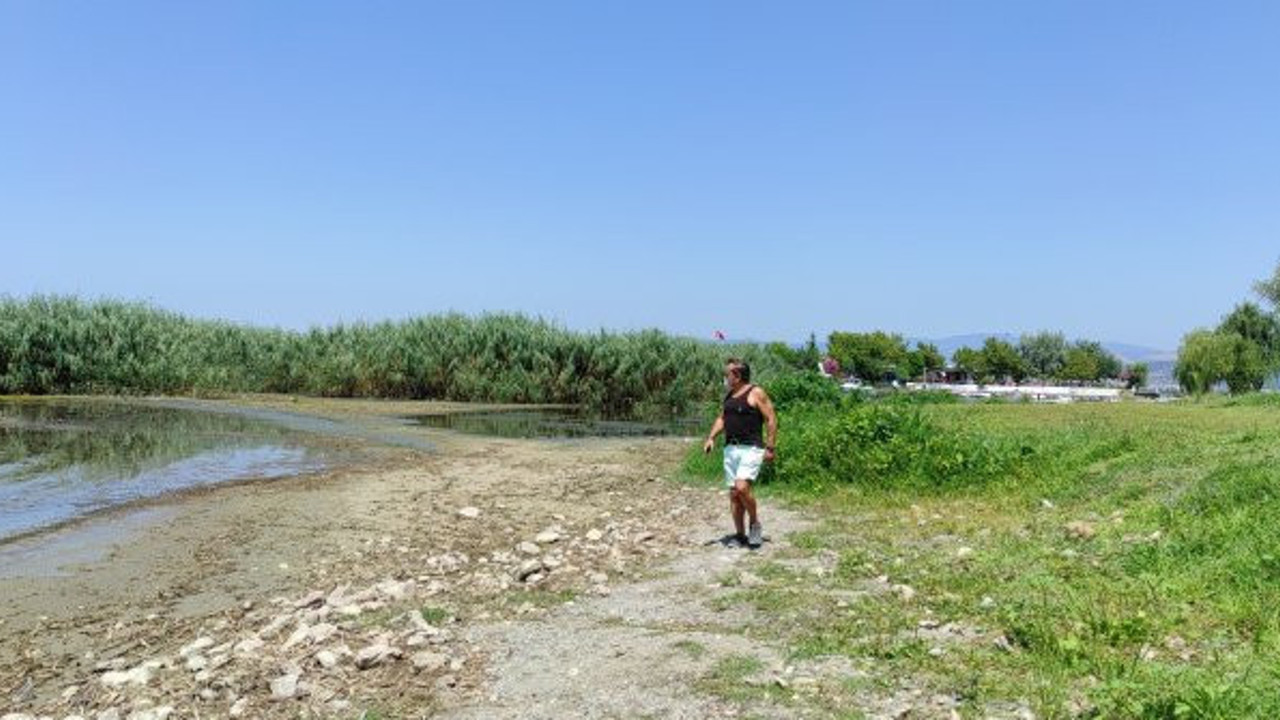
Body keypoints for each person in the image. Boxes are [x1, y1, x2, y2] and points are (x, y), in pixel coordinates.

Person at [702, 358, 777, 548]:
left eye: (727, 374)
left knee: (742, 487)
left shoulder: (756, 392)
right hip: (731, 449)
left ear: (737, 375)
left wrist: (770, 447)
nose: (725, 378)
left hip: (751, 448)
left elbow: (770, 418)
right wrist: (711, 438)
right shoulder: (729, 396)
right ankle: (739, 535)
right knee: (734, 494)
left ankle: (754, 523)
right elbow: (722, 419)